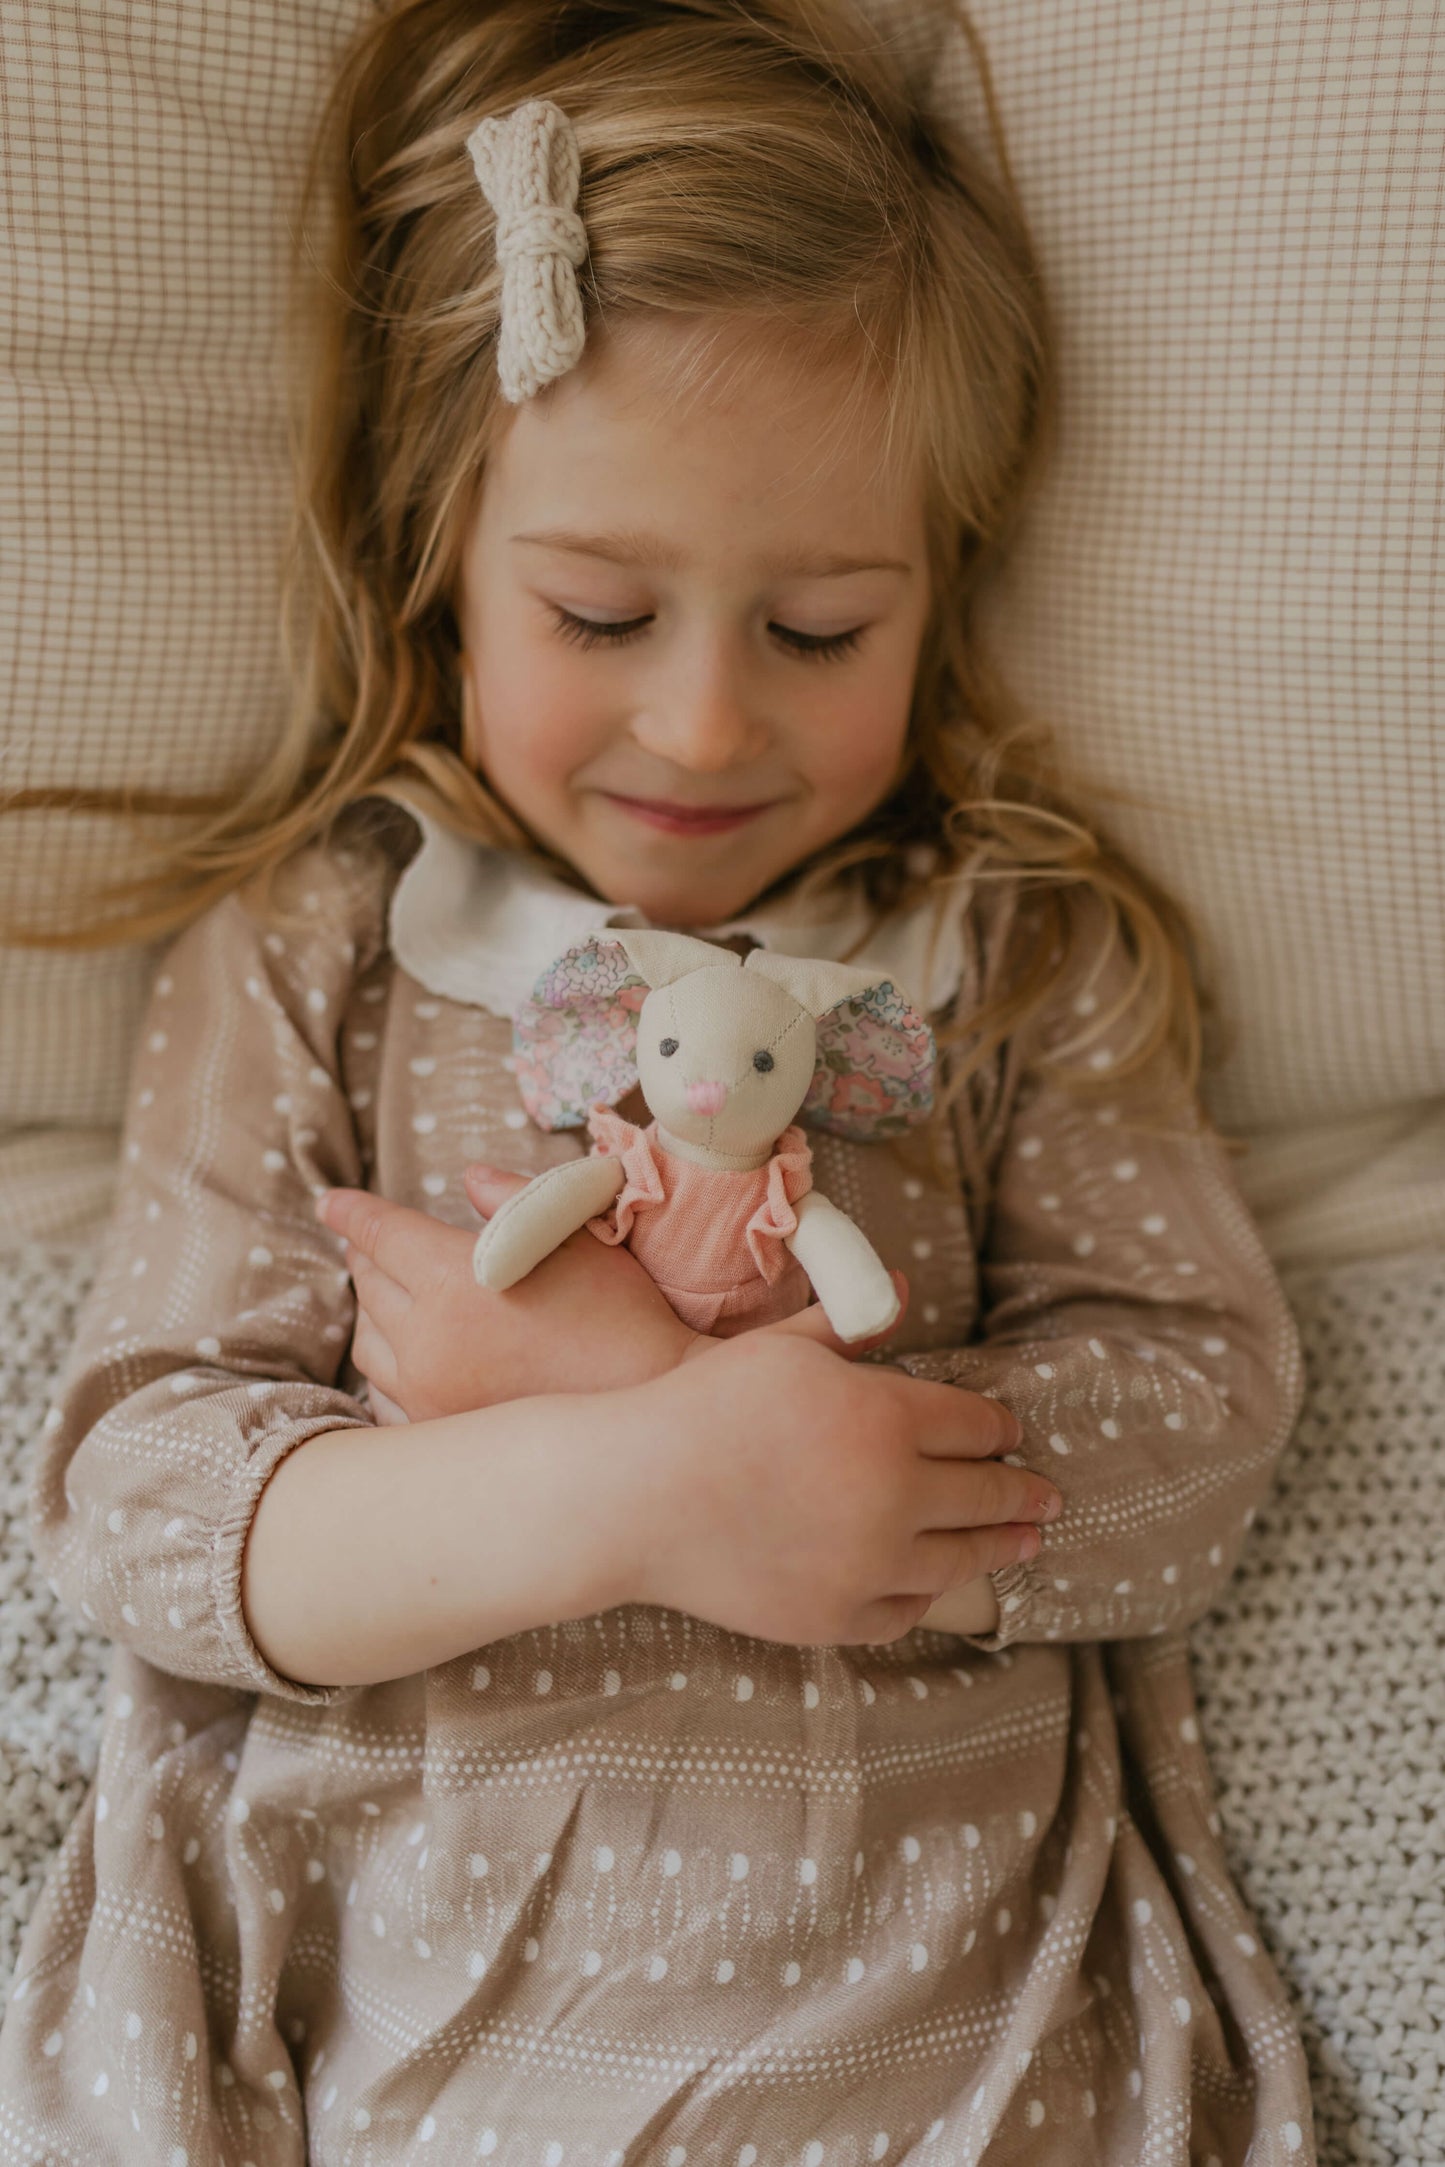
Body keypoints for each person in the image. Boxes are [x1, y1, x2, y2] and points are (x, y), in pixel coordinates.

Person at [0, 2, 1318, 2159]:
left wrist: (835, 1491)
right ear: (441, 545)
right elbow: (142, 1503)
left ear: (942, 589)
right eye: (601, 611)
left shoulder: (1009, 954)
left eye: (819, 632)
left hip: (943, 2037)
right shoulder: (332, 938)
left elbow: (1195, 1420)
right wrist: (635, 1472)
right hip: (412, 2044)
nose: (705, 727)